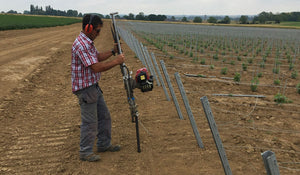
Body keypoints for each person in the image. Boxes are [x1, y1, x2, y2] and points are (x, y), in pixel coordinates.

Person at [71, 14, 125, 162]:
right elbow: (96, 67)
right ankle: (85, 152)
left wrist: (113, 52)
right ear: (88, 28)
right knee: (90, 122)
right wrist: (117, 61)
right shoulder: (82, 45)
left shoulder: (88, 42)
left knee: (104, 116)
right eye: (98, 31)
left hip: (93, 87)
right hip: (86, 89)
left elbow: (98, 57)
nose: (99, 34)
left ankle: (103, 144)